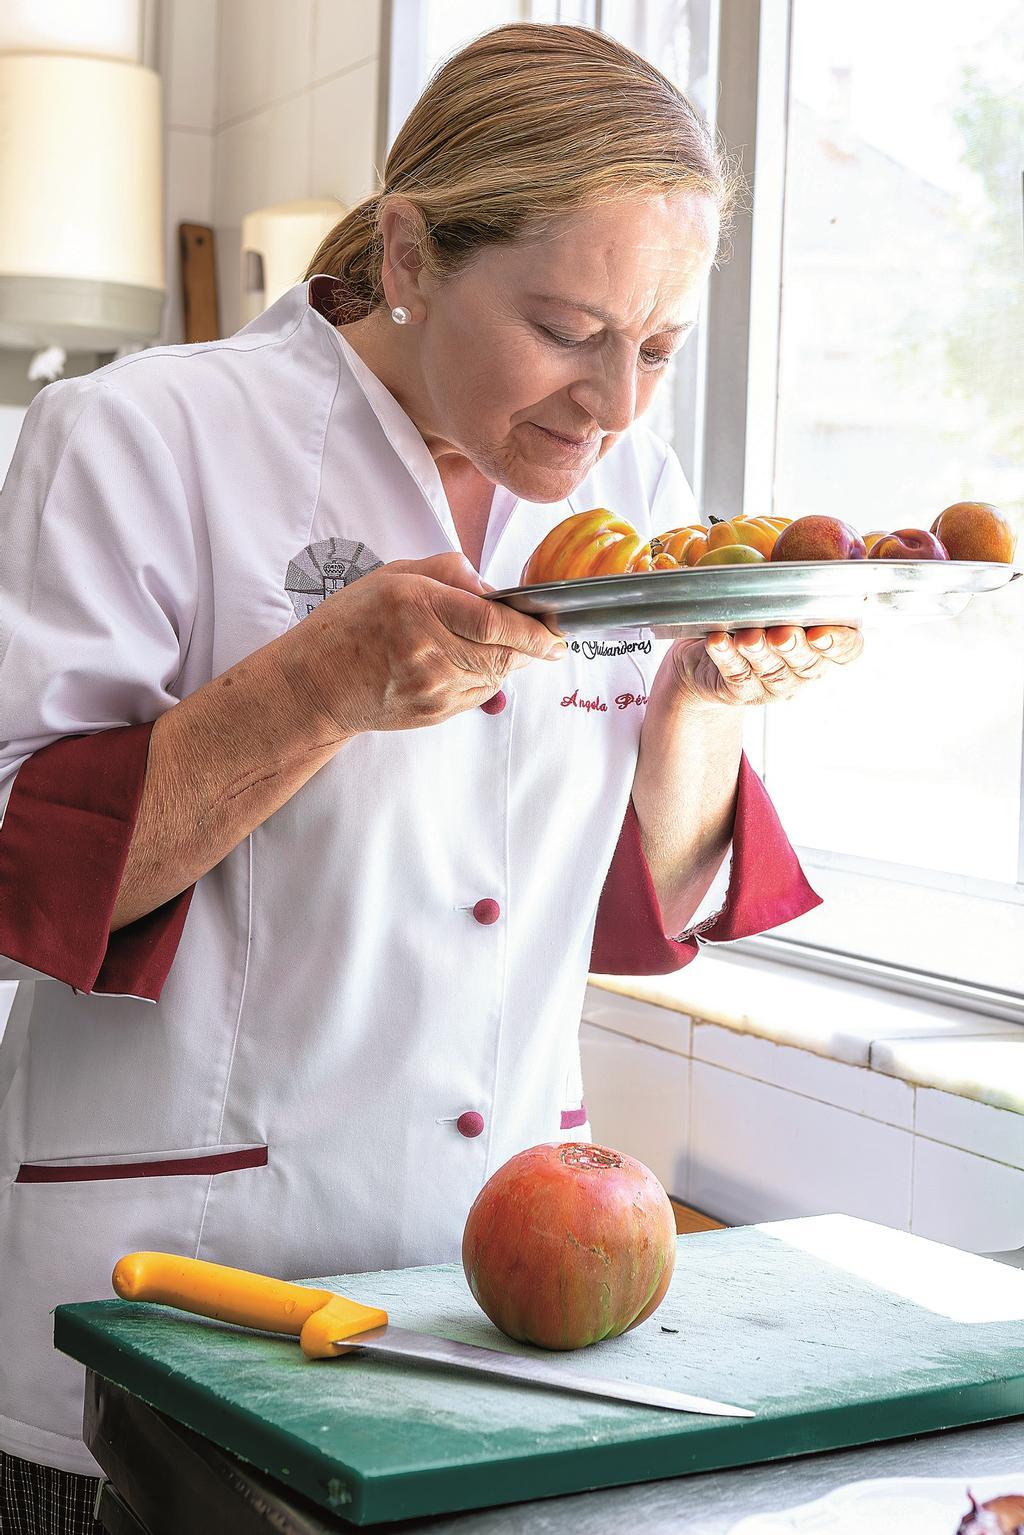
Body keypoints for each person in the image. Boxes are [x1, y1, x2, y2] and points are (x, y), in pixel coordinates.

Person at [0, 22, 861, 1533]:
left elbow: (623, 898)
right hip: (179, 1288)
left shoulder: (629, 496)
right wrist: (314, 687)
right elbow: (21, 866)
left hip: (503, 1305)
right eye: (566, 328)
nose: (615, 407)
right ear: (408, 250)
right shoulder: (144, 435)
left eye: (656, 348)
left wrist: (706, 702)